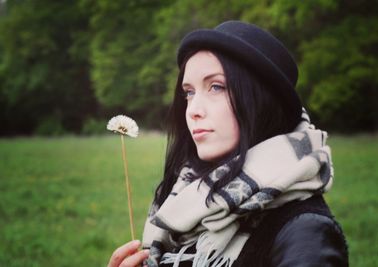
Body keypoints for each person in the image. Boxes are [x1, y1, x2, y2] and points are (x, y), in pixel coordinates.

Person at [108, 21, 348, 267]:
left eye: (216, 87)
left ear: (260, 100)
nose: (193, 110)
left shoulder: (305, 233)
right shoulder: (183, 203)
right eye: (189, 92)